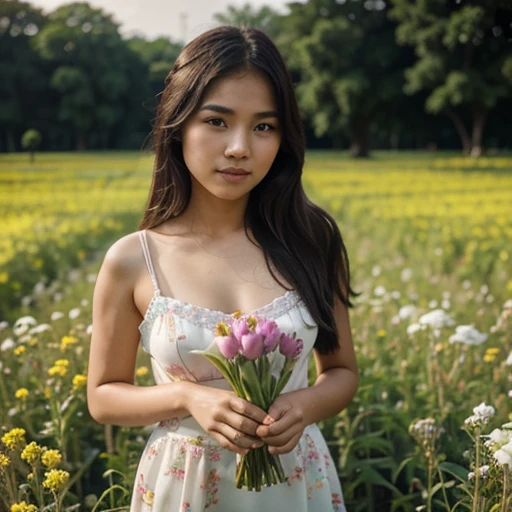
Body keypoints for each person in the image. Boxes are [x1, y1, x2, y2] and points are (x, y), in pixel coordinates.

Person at [87, 25, 358, 512]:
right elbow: (104, 395)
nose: (239, 148)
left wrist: (302, 406)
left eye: (263, 127)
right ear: (178, 123)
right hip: (184, 486)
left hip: (296, 485)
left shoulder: (312, 241)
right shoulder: (133, 259)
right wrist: (189, 398)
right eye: (217, 121)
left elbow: (340, 373)